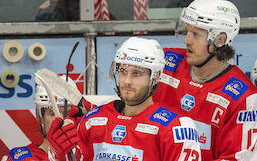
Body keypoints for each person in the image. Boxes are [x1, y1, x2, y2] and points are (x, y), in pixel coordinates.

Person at [48, 37, 202, 160]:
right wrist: (58, 155)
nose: (127, 81)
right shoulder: (93, 120)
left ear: (155, 77)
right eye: (123, 71)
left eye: (137, 73)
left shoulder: (177, 128)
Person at [152, 0, 257, 160]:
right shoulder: (164, 62)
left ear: (220, 40)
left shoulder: (244, 98)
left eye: (196, 34)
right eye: (187, 31)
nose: (187, 40)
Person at [1, 75, 78, 161]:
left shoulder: (88, 155)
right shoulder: (22, 158)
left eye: (66, 113)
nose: (60, 120)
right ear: (41, 118)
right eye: (52, 113)